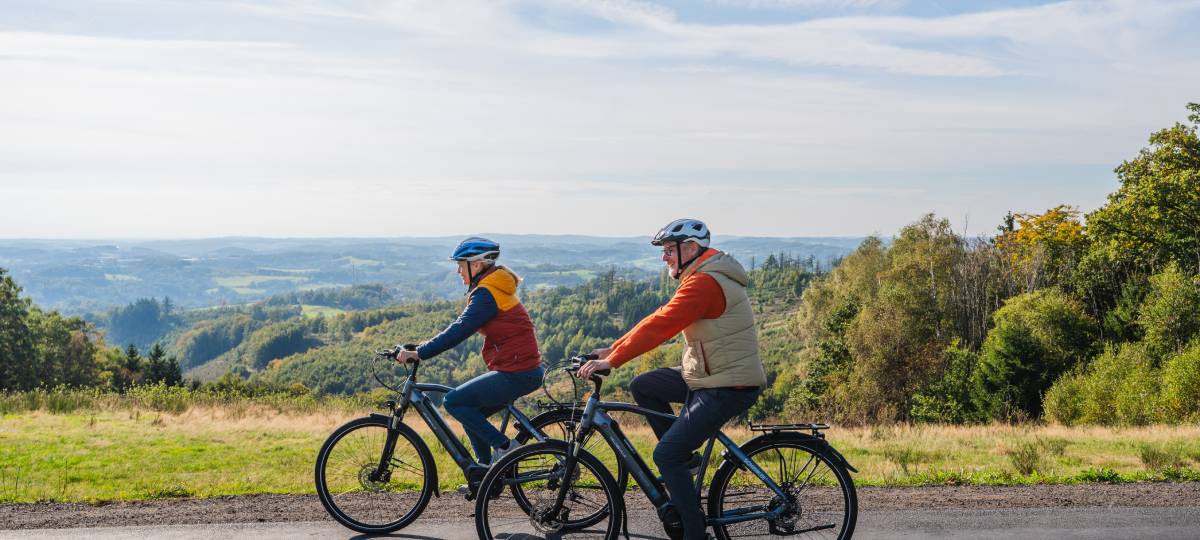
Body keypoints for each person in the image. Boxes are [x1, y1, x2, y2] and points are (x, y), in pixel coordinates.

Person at [579, 218, 765, 540]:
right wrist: (613, 349)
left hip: (726, 384)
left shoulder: (705, 283)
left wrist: (614, 360)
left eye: (668, 251)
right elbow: (658, 318)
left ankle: (694, 533)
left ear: (691, 248)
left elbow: (661, 326)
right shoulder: (701, 276)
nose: (664, 257)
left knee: (666, 454)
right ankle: (688, 461)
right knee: (645, 385)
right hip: (707, 375)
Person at [395, 237, 543, 467]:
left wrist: (421, 353)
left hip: (518, 371)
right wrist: (419, 347)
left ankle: (505, 449)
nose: (457, 271)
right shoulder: (491, 288)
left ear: (476, 265)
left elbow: (459, 330)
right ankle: (486, 472)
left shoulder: (487, 294)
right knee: (469, 409)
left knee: (454, 402)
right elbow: (459, 328)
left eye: (460, 264)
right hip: (521, 368)